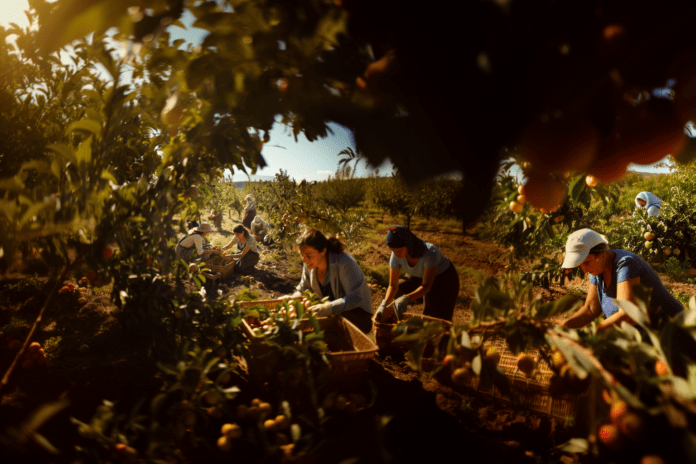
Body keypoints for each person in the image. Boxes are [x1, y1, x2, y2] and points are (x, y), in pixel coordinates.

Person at [560, 229, 683, 332]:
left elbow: (627, 315)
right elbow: (590, 309)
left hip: (671, 333)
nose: (585, 270)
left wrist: (590, 333)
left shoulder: (626, 264)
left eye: (587, 262)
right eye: (581, 264)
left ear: (602, 252)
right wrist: (564, 327)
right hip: (643, 338)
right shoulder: (597, 269)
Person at [280, 228, 373, 334]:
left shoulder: (345, 263)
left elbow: (355, 298)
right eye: (302, 255)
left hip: (356, 316)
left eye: (308, 255)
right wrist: (292, 298)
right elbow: (303, 289)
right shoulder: (309, 264)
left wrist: (328, 308)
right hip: (333, 314)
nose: (304, 259)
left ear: (323, 251)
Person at [374, 226, 460, 322]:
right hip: (419, 275)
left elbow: (426, 286)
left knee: (434, 318)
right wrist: (384, 305)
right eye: (393, 250)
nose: (396, 254)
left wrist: (407, 298)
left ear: (408, 244)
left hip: (442, 278)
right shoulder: (396, 255)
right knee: (399, 290)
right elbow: (393, 286)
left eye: (399, 250)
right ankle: (393, 325)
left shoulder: (430, 253)